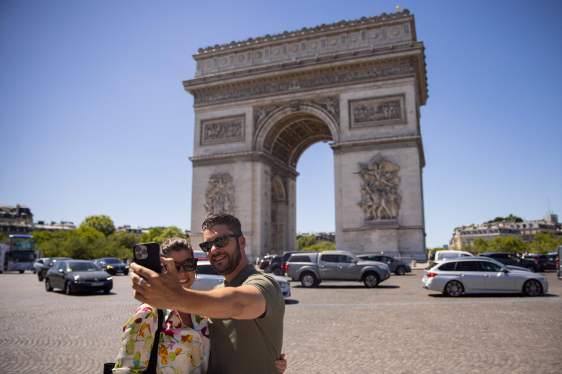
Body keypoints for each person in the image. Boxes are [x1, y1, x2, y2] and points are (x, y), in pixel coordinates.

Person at [130, 214, 286, 374]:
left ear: (242, 241)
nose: (213, 250)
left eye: (220, 242)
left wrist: (175, 297)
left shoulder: (266, 284)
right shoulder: (213, 294)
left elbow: (239, 305)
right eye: (207, 246)